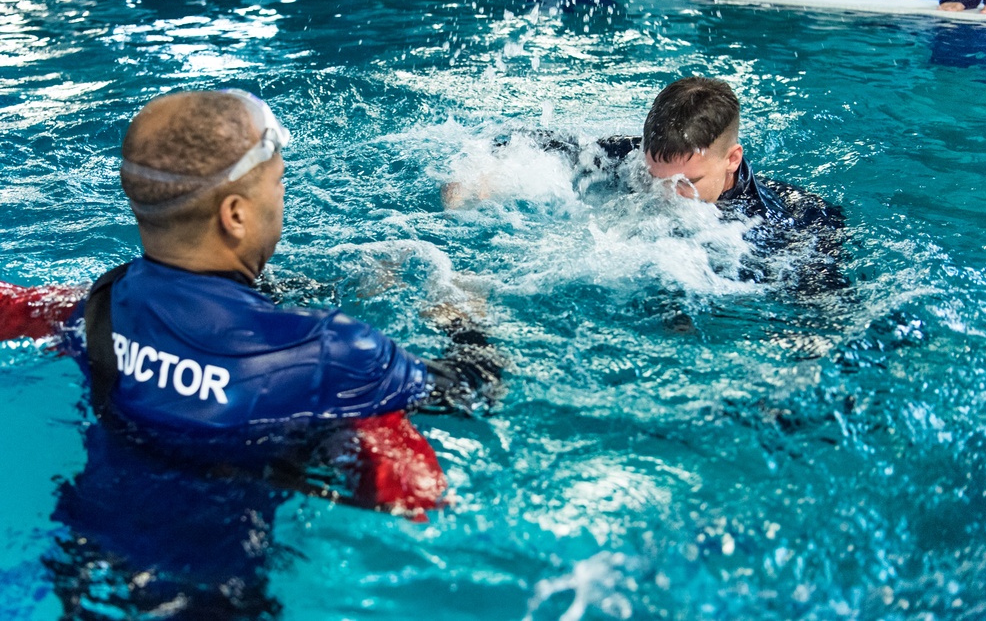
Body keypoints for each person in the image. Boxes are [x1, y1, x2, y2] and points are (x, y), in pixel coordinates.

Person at [1, 89, 499, 618]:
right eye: (280, 184)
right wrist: (463, 315)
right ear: (235, 214)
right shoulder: (331, 351)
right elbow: (472, 390)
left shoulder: (98, 306)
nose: (283, 198)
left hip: (79, 569)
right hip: (217, 598)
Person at [478, 77, 847, 293]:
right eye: (656, 177)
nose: (668, 193)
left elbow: (824, 303)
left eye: (688, 182)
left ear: (732, 159)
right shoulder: (638, 157)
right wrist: (483, 178)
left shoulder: (783, 220)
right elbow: (536, 141)